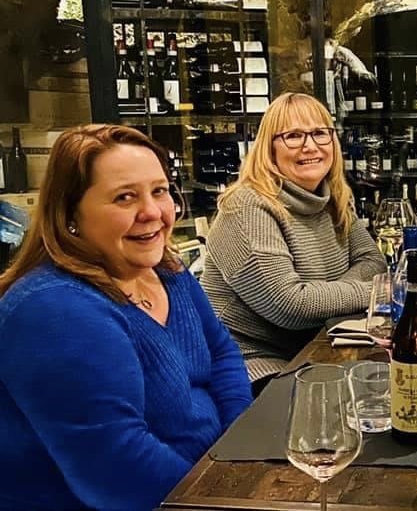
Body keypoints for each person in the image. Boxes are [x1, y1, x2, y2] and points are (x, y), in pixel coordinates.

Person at [0, 124, 252, 510]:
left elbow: (222, 354)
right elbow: (118, 472)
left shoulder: (165, 269)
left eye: (160, 191)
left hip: (214, 480)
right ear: (71, 214)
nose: (151, 212)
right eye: (124, 198)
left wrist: (241, 451)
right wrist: (222, 497)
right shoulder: (54, 311)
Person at [202, 92, 386, 393]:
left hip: (315, 347)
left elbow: (373, 262)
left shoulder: (332, 198)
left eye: (319, 133)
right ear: (269, 147)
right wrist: (379, 293)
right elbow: (290, 305)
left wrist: (324, 298)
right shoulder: (249, 206)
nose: (310, 146)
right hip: (250, 366)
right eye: (293, 136)